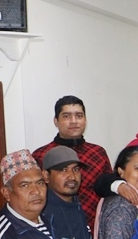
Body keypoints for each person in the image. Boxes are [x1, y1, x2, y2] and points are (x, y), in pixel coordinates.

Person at [32, 95, 111, 227]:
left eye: (79, 116)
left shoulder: (98, 153)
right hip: (56, 227)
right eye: (67, 116)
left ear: (85, 120)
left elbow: (108, 190)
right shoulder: (41, 155)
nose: (74, 121)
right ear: (56, 121)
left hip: (94, 227)